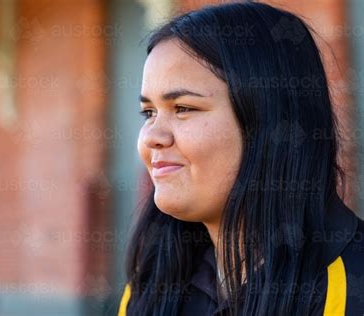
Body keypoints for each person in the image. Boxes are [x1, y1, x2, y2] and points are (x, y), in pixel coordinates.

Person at [117, 2, 364, 315]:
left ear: (272, 120)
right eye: (148, 112)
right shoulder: (150, 285)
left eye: (183, 108)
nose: (151, 136)